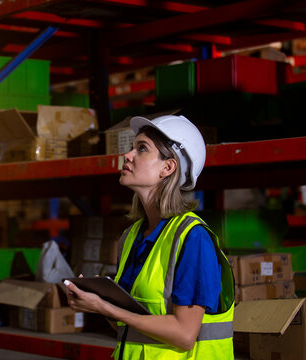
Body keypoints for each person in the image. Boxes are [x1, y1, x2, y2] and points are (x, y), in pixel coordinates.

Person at [64, 114, 235, 359]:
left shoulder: (193, 239)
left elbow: (185, 335)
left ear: (168, 167)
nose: (128, 155)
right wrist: (96, 301)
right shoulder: (131, 236)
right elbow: (129, 327)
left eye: (141, 149)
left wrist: (105, 306)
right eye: (132, 147)